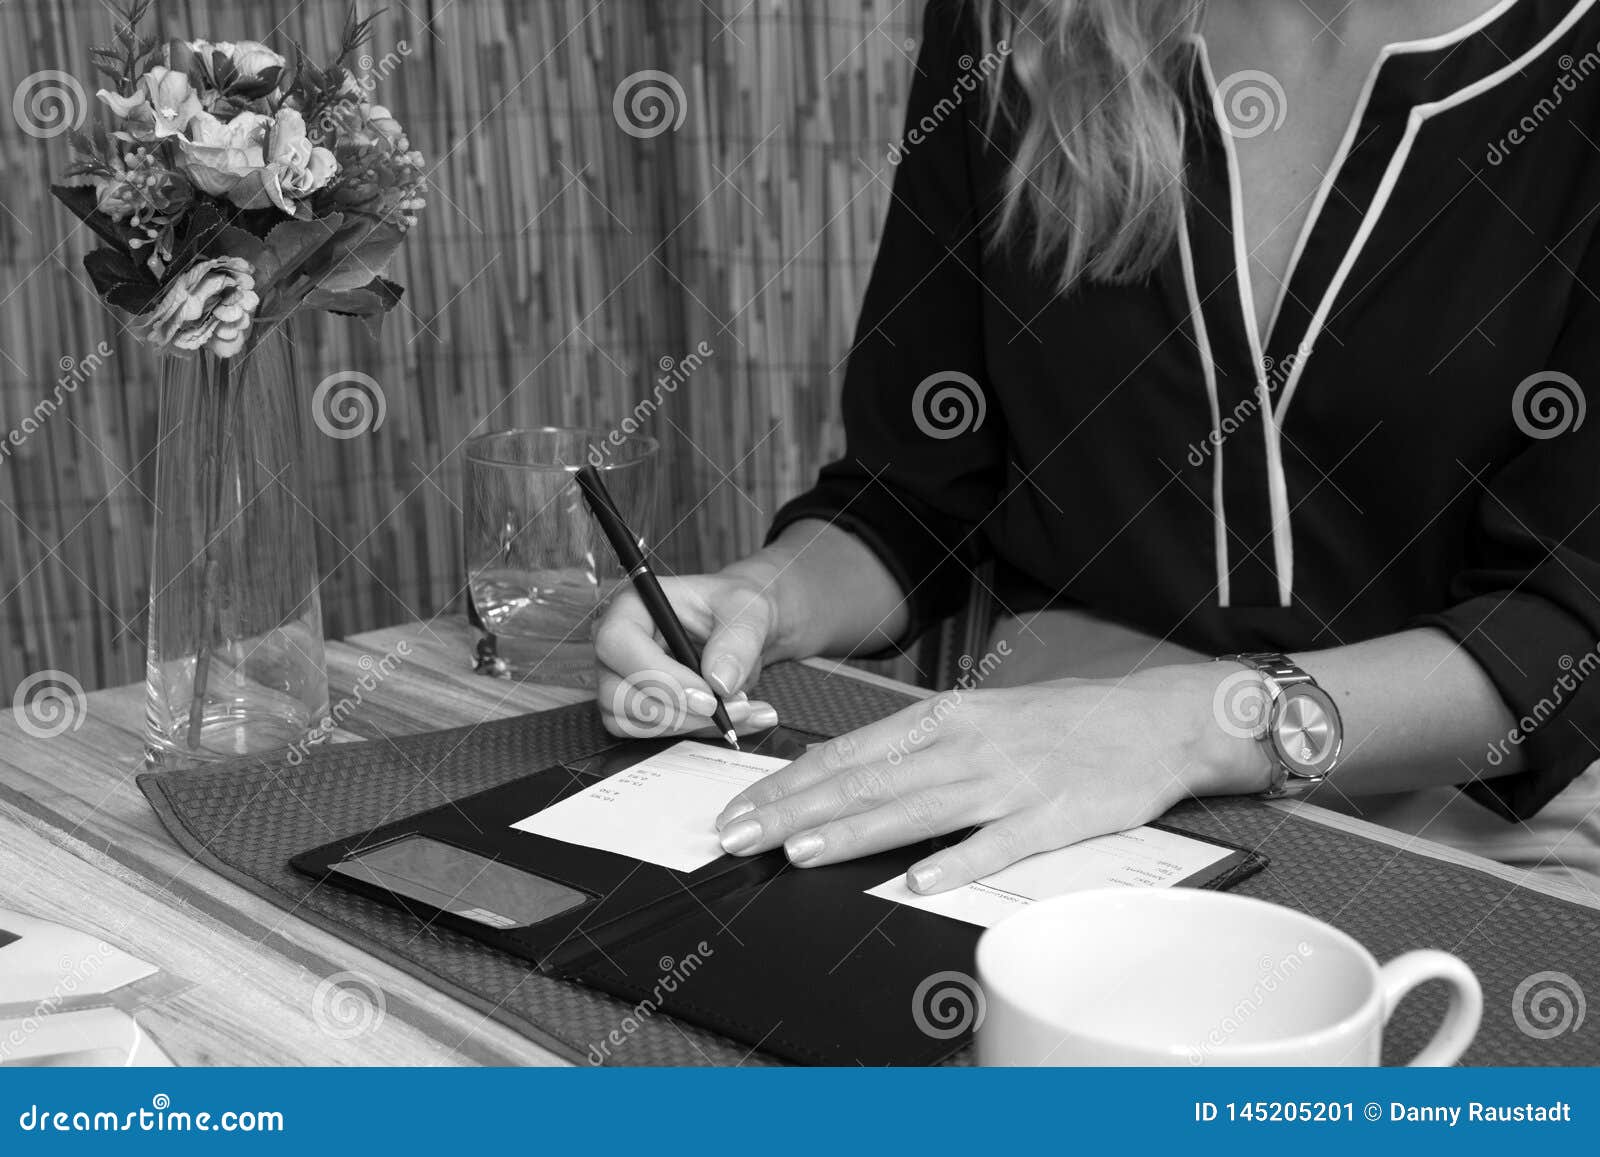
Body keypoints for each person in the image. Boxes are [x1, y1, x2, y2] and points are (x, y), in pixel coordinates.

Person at [595, 0, 1600, 895]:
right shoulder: (1017, 24)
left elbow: (1567, 622)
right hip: (1045, 785)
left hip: (1468, 818)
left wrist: (1194, 723)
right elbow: (914, 497)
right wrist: (765, 599)